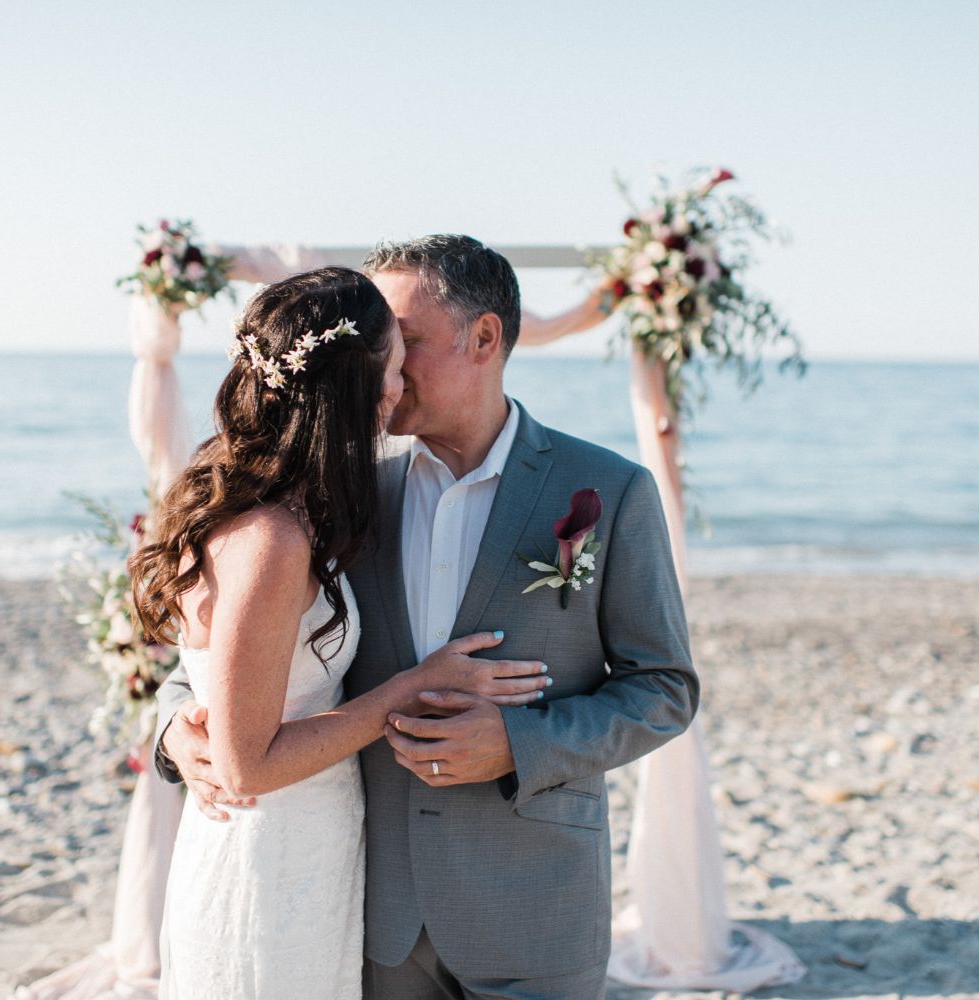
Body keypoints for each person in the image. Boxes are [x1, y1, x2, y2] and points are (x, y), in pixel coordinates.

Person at [154, 237, 698, 1000]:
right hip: (371, 920)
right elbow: (214, 659)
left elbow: (664, 688)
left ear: (484, 339)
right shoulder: (343, 497)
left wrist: (519, 743)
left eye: (403, 341)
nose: (387, 368)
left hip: (532, 911)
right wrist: (176, 729)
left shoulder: (609, 490)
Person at [129, 266, 552, 1000]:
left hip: (308, 852)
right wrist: (411, 685)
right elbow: (246, 767)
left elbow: (226, 680)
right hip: (269, 855)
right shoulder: (273, 540)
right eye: (392, 365)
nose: (400, 384)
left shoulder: (294, 511)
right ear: (353, 386)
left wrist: (176, 731)